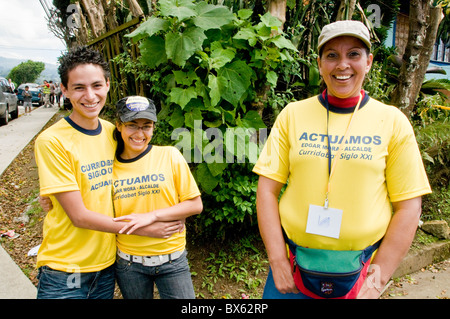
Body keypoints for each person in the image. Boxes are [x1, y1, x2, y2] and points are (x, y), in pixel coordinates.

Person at [252, 20, 432, 299]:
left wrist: (379, 278)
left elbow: (409, 206)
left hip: (359, 276)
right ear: (320, 63)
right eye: (332, 55)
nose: (342, 65)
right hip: (293, 268)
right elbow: (266, 189)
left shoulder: (392, 121)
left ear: (369, 61)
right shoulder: (293, 115)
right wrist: (277, 260)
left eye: (354, 54)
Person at [34, 46, 183, 299]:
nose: (90, 96)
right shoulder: (52, 141)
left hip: (106, 268)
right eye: (79, 87)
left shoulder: (113, 133)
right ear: (64, 90)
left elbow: (140, 173)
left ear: (108, 85)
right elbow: (79, 216)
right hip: (64, 271)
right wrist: (145, 228)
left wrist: (164, 211)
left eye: (96, 85)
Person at [112, 96, 202, 299]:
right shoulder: (109, 166)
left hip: (173, 259)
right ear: (119, 125)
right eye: (132, 125)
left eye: (146, 126)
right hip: (129, 263)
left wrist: (152, 216)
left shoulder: (169, 155)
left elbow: (195, 204)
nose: (140, 133)